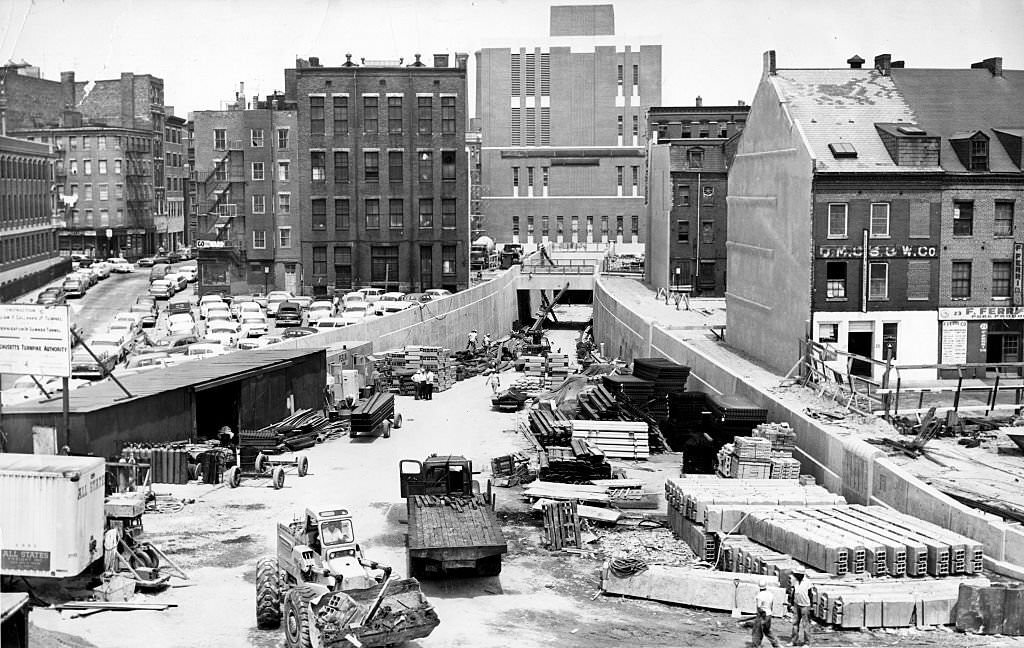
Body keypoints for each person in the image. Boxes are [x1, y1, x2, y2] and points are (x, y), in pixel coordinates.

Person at [752, 578, 780, 648]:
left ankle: (756, 646)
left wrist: (760, 615)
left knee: (757, 632)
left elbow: (759, 607)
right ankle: (776, 644)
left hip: (762, 616)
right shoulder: (770, 594)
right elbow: (771, 605)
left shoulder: (759, 595)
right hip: (769, 615)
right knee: (767, 631)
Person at [790, 568, 813, 646]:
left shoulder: (807, 582)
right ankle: (794, 641)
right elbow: (794, 591)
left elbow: (810, 594)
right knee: (795, 623)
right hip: (797, 604)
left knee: (805, 624)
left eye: (796, 574)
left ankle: (807, 643)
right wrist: (791, 603)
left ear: (801, 575)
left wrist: (811, 606)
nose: (795, 575)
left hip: (805, 606)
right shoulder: (795, 580)